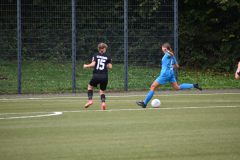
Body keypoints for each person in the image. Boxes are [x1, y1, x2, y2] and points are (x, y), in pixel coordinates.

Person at [136, 42, 202, 108]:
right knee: (177, 87)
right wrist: (170, 66)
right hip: (171, 74)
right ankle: (194, 85)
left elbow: (171, 54)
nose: (162, 49)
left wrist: (167, 51)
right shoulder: (171, 56)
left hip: (165, 74)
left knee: (153, 86)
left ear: (164, 48)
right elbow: (177, 66)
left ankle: (144, 103)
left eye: (162, 48)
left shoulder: (168, 54)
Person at [83, 43, 112, 110]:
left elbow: (93, 64)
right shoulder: (108, 56)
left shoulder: (96, 55)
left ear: (98, 49)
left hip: (96, 75)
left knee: (90, 87)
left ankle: (90, 100)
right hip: (104, 76)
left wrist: (86, 66)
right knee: (102, 91)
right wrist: (106, 64)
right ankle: (103, 103)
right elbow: (110, 67)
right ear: (105, 48)